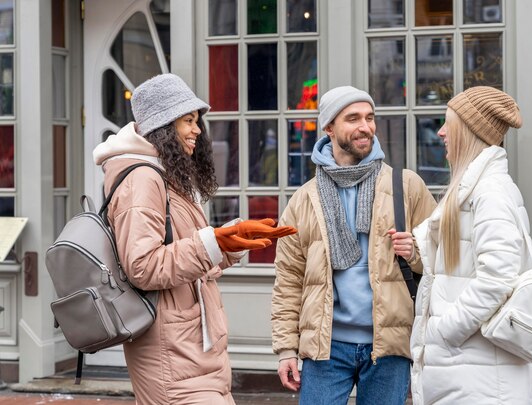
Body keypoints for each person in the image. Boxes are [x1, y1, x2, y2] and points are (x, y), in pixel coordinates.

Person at [93, 73, 296, 404]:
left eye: (196, 120)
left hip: (193, 348)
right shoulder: (142, 179)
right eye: (188, 120)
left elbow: (186, 260)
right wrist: (214, 242)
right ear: (162, 126)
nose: (197, 130)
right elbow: (142, 266)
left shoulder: (165, 176)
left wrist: (228, 244)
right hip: (172, 355)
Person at [271, 86, 437, 405]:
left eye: (370, 117)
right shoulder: (304, 199)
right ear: (329, 128)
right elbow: (288, 280)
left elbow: (443, 258)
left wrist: (415, 253)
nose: (365, 126)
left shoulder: (406, 186)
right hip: (325, 348)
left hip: (389, 344)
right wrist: (286, 350)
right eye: (353, 118)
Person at [409, 86, 532, 404]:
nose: (440, 132)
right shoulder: (474, 188)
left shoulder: (489, 192)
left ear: (468, 131)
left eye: (447, 123)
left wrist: (446, 333)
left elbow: (497, 278)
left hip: (477, 373)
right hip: (469, 370)